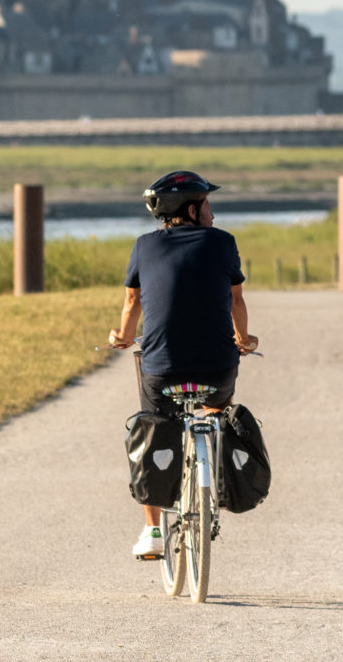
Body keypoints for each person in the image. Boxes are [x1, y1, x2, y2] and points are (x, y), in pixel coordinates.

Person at [109, 170, 259, 561]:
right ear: (191, 209)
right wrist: (243, 340)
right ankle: (216, 475)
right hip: (217, 370)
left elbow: (132, 304)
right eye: (207, 204)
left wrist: (123, 337)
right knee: (216, 410)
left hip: (162, 369)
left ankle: (152, 530)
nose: (211, 211)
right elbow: (236, 302)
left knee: (153, 424)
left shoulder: (144, 246)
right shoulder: (223, 243)